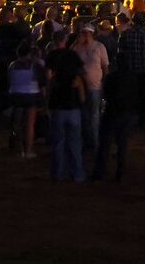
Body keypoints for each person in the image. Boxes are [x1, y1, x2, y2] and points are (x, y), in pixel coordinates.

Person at [44, 29, 86, 182]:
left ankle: (57, 174)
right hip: (73, 106)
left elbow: (48, 79)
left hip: (58, 106)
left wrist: (47, 101)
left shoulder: (53, 58)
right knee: (75, 143)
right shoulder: (73, 57)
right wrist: (82, 100)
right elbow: (81, 78)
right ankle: (77, 174)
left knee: (58, 143)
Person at [73, 22, 109, 151]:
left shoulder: (99, 47)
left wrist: (105, 83)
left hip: (95, 86)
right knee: (84, 115)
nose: (86, 35)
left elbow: (105, 66)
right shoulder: (77, 48)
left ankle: (95, 142)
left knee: (94, 115)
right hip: (81, 86)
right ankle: (86, 141)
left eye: (88, 33)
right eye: (84, 32)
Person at [7, 42, 44, 159]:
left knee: (17, 123)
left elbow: (9, 80)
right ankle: (28, 150)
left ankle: (19, 150)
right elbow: (41, 80)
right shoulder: (35, 65)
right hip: (31, 94)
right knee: (29, 125)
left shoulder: (12, 65)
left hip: (16, 94)